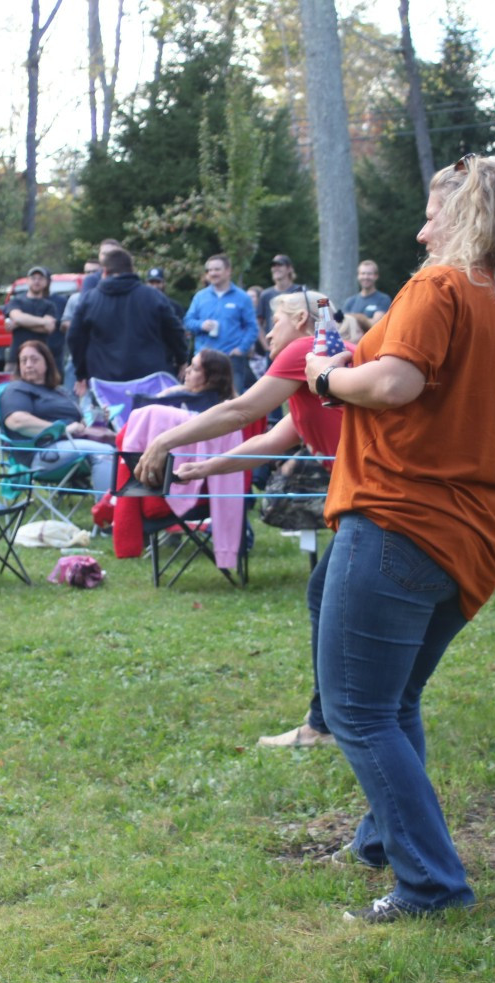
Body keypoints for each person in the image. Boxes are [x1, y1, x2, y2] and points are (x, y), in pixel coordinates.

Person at [299, 153, 495, 923]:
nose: (421, 231)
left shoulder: (439, 286)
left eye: (434, 214)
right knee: (395, 697)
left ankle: (430, 884)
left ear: (468, 216)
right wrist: (356, 362)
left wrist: (323, 378)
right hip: (473, 534)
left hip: (401, 521)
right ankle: (386, 837)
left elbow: (393, 385)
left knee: (359, 712)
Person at [136, 290, 354, 750]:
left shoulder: (304, 350)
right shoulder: (315, 369)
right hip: (365, 501)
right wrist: (205, 467)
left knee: (329, 599)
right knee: (332, 598)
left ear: (300, 319)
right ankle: (336, 719)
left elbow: (241, 411)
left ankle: (326, 725)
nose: (267, 332)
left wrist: (164, 442)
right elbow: (273, 440)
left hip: (376, 501)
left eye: (272, 321)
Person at [0, 340, 117, 495]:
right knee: (105, 452)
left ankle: (138, 508)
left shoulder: (59, 391)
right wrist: (62, 429)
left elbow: (80, 423)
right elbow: (16, 421)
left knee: (126, 445)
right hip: (41, 452)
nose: (28, 365)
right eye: (23, 360)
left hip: (73, 444)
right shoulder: (16, 389)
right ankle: (109, 512)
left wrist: (97, 418)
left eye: (34, 360)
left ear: (47, 363)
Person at [67, 245, 188, 391]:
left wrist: (82, 373)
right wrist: (181, 359)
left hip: (105, 381)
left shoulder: (89, 300)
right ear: (132, 270)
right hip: (149, 380)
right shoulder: (154, 297)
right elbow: (175, 331)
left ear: (104, 272)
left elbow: (74, 338)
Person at [183, 253, 260, 391]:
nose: (212, 273)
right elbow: (188, 321)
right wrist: (201, 325)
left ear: (228, 271)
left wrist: (241, 349)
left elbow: (252, 327)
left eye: (217, 269)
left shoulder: (242, 297)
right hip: (203, 360)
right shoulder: (200, 297)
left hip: (231, 359)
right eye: (209, 270)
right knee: (200, 400)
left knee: (232, 402)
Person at [4, 265, 61, 361]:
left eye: (40, 278)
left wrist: (20, 323)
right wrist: (43, 321)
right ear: (27, 281)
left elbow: (49, 328)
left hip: (41, 356)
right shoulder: (16, 301)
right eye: (33, 278)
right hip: (16, 356)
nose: (36, 281)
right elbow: (17, 317)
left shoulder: (50, 305)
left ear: (46, 282)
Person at [156, 348, 236, 411]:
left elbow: (153, 404)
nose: (187, 370)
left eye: (195, 368)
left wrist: (170, 392)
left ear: (212, 378)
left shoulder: (185, 401)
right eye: (190, 365)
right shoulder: (229, 406)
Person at [258, 254, 305, 332]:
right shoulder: (265, 295)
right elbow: (258, 324)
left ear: (289, 268)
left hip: (294, 341)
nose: (276, 268)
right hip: (273, 342)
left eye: (280, 264)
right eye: (273, 265)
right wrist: (266, 344)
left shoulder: (300, 292)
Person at [342, 260, 392, 329]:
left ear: (376, 276)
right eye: (363, 273)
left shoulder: (383, 299)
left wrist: (358, 317)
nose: (365, 277)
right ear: (358, 276)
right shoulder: (350, 301)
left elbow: (375, 325)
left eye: (369, 274)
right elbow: (343, 325)